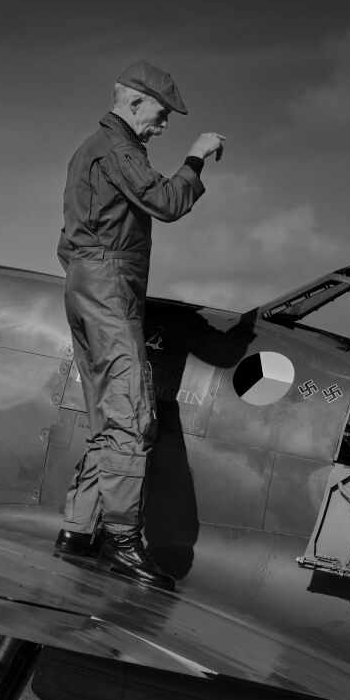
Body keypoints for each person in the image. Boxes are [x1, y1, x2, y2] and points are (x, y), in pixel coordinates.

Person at [54, 60, 225, 590]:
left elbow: (69, 242)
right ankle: (123, 543)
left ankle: (80, 533)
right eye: (161, 111)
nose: (165, 123)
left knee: (109, 418)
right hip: (108, 288)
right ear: (132, 103)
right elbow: (167, 201)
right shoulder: (116, 149)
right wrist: (196, 158)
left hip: (87, 285)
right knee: (132, 414)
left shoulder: (91, 149)